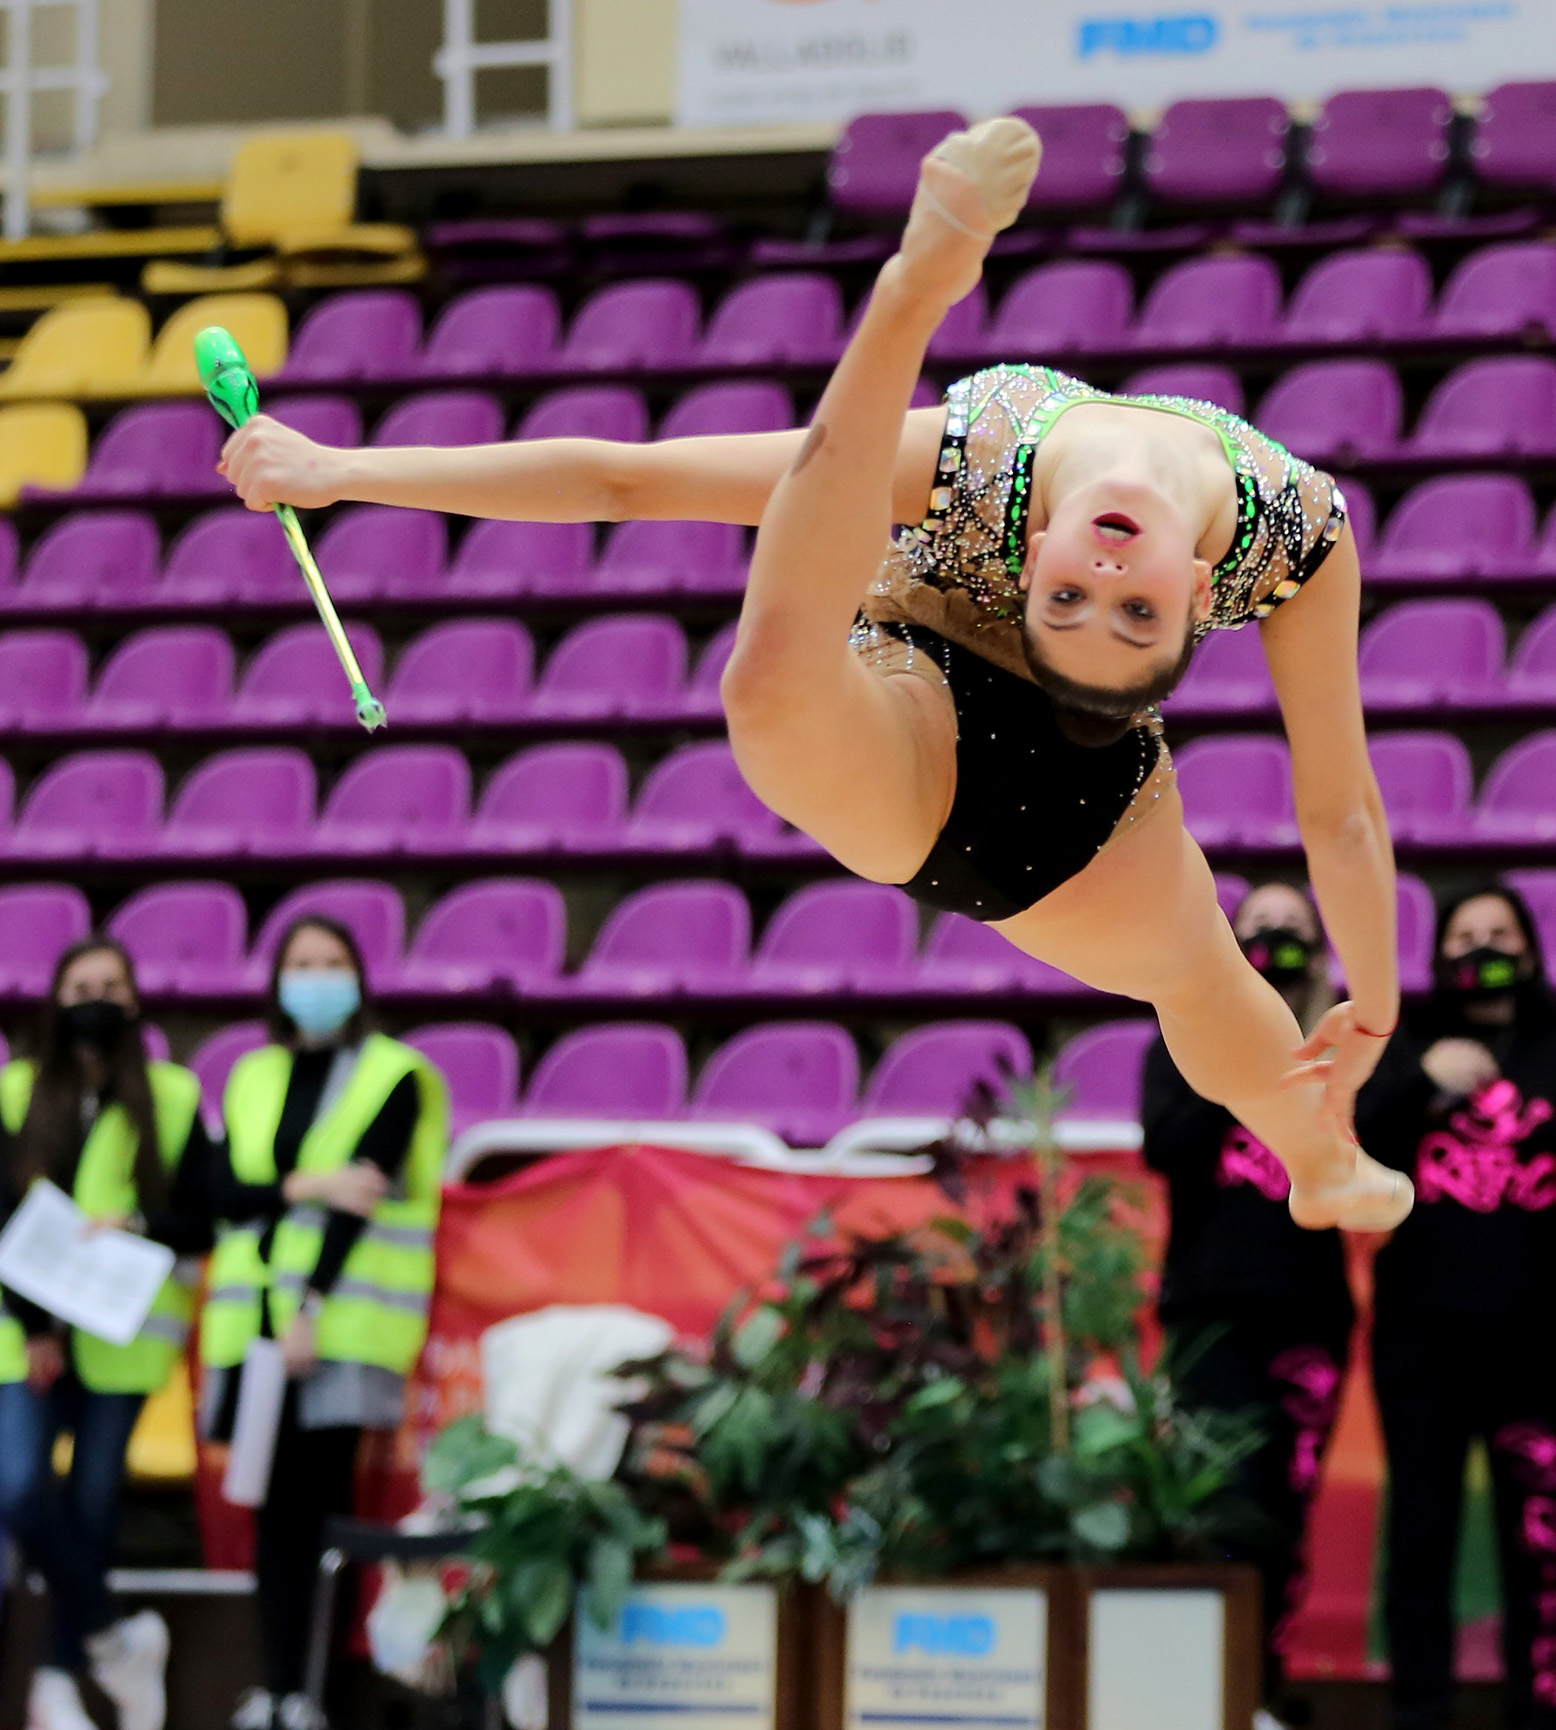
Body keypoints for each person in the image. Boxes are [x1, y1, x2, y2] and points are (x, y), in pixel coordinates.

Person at [216, 118, 1409, 1233]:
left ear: (1207, 599)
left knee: (1201, 982)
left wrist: (1379, 1001)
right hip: (917, 708)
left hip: (1089, 813)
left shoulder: (1294, 541)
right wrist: (336, 469)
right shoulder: (1116, 488)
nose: (1101, 570)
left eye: (1112, 608)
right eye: (1106, 597)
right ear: (1032, 557)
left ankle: (1322, 1162)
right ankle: (908, 298)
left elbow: (1340, 811)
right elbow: (626, 478)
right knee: (768, 694)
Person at [1357, 885, 1556, 1730]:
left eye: (1499, 933)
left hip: (1536, 1341)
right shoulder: (1402, 1050)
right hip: (1420, 1341)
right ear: (1439, 959)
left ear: (1531, 952)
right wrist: (1419, 1080)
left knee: (1537, 1537)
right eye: (1465, 934)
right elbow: (1351, 1142)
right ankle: (1418, 1708)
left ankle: (1545, 1708)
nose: (1482, 947)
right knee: (1420, 1532)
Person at [199, 917, 449, 1730]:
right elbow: (224, 1196)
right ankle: (273, 1686)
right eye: (300, 964)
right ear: (276, 980)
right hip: (255, 1332)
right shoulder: (252, 1073)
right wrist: (308, 1184)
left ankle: (312, 1690)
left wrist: (308, 1307)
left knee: (317, 1508)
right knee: (270, 1511)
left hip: (337, 1330)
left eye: (331, 962)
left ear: (359, 976)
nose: (315, 977)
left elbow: (365, 1199)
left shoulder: (395, 1073)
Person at [1141, 881, 1356, 1726]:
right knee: (1218, 1506)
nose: (1274, 941)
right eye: (1258, 929)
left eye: (1292, 931)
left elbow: (1386, 1124)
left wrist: (1314, 1033)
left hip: (1309, 1317)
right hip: (1209, 1317)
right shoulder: (1184, 1032)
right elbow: (1170, 1146)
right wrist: (1236, 1040)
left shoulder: (1340, 1046)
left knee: (1286, 1510)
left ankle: (1263, 1685)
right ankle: (1213, 1689)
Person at [0, 938, 213, 1730]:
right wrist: (33, 1327)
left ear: (134, 998)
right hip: (29, 1340)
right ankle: (115, 1638)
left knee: (91, 1505)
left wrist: (137, 1221)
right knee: (18, 1486)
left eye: (111, 984)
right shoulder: (17, 1090)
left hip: (122, 1337)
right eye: (80, 984)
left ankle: (56, 1683)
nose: (96, 996)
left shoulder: (173, 1095)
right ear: (54, 1000)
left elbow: (203, 1216)